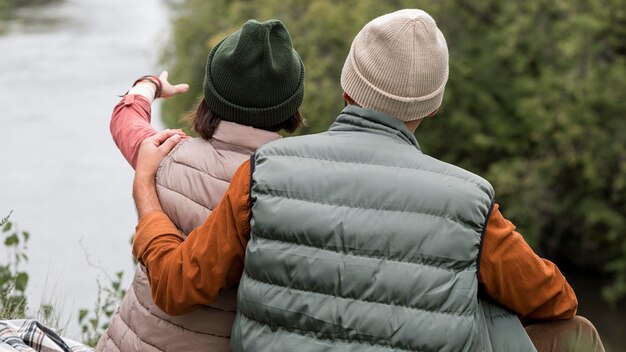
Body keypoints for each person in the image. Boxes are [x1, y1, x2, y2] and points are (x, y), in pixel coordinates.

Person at [129, 9, 605, 352]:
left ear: (346, 88)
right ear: (433, 107)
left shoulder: (266, 171)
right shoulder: (470, 200)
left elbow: (176, 286)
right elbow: (556, 301)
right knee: (573, 331)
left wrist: (146, 194)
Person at [96, 19, 305, 352]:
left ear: (211, 95)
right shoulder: (293, 191)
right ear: (290, 107)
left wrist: (149, 85)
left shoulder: (164, 154)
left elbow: (124, 119)